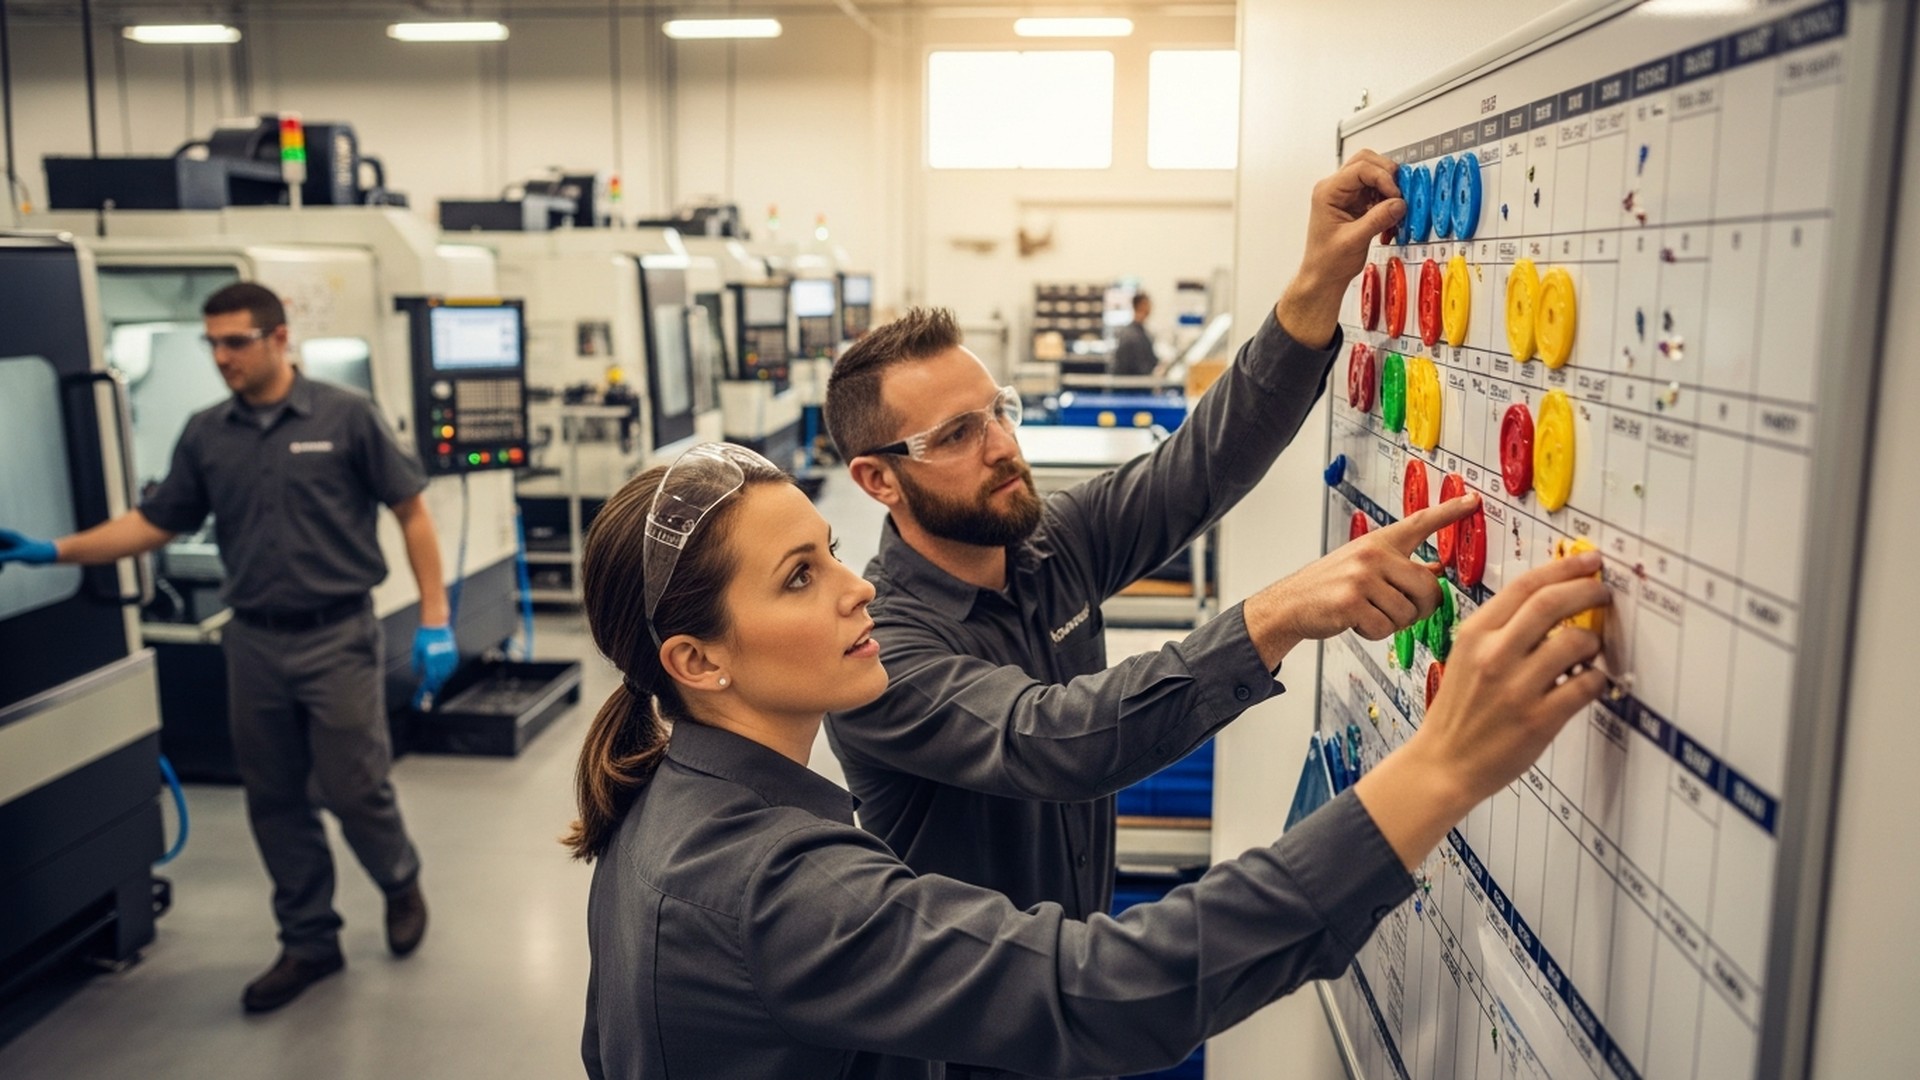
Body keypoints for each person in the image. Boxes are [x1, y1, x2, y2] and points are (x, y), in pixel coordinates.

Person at [568, 440, 1610, 1080]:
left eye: (832, 551)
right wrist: (1439, 770)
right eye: (800, 577)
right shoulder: (773, 889)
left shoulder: (669, 799)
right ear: (696, 660)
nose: (858, 589)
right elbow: (1103, 987)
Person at [817, 149, 1438, 945]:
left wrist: (1319, 278)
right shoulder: (882, 655)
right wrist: (1277, 614)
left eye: (998, 411)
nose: (1004, 445)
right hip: (964, 1050)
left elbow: (1202, 464)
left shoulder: (1048, 543)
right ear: (877, 480)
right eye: (957, 435)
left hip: (1075, 993)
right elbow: (1057, 739)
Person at [0, 282, 454, 1013]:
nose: (221, 357)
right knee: (273, 799)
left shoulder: (347, 417)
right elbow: (154, 524)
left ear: (278, 339)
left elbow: (413, 513)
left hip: (337, 635)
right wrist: (53, 550)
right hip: (253, 643)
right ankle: (308, 940)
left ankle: (399, 880)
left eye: (235, 342)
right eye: (211, 343)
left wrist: (435, 618)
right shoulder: (207, 433)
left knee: (352, 787)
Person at [1109, 290, 1157, 378]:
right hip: (1132, 388)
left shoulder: (1141, 333)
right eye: (1148, 305)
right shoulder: (1133, 336)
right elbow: (1140, 367)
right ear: (1142, 305)